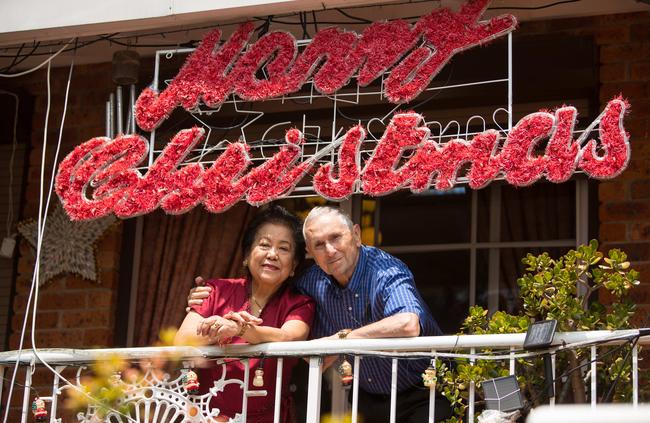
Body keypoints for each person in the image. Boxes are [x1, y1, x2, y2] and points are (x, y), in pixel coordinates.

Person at [188, 206, 452, 422]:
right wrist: (207, 295)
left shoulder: (385, 271)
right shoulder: (310, 283)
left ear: (357, 236)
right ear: (311, 254)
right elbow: (272, 282)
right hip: (368, 396)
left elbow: (407, 323)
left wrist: (342, 339)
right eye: (319, 244)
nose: (330, 250)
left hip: (425, 391)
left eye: (336, 238)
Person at [174, 205, 315, 423]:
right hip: (208, 415)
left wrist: (241, 329)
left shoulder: (299, 303)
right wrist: (219, 331)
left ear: (294, 265)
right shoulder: (216, 291)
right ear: (247, 256)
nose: (272, 254)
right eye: (264, 244)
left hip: (269, 417)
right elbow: (181, 342)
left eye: (284, 248)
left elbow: (290, 336)